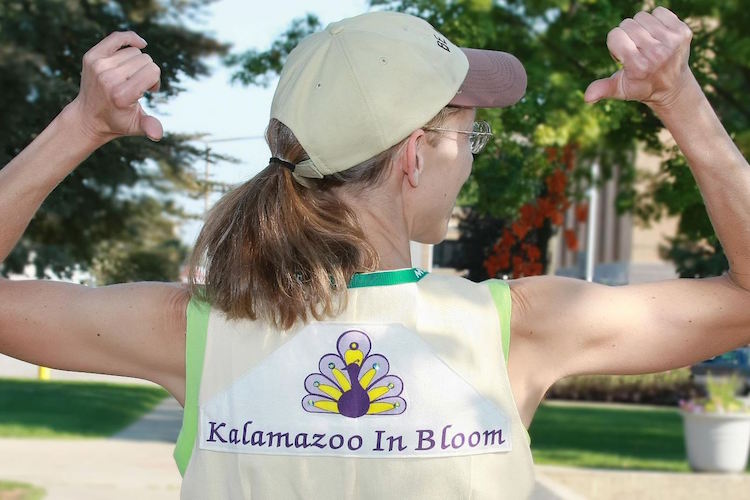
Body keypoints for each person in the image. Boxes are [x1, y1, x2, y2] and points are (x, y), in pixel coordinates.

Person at [1, 6, 749, 499]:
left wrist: (83, 124)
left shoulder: (195, 331)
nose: (472, 158)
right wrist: (679, 101)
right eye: (469, 135)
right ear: (416, 156)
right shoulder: (518, 326)